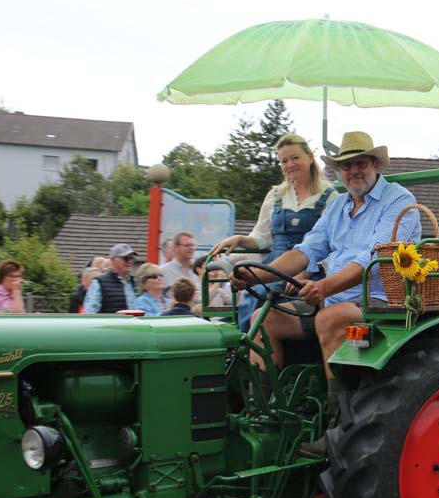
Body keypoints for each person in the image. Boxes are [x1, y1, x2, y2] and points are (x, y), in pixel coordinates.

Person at [231, 130, 420, 426]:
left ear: (375, 164)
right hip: (334, 297)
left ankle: (338, 426)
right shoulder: (338, 205)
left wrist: (324, 286)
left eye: (361, 163)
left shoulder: (399, 201)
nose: (354, 171)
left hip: (382, 300)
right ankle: (264, 418)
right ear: (339, 171)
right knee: (263, 319)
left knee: (329, 318)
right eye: (347, 166)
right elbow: (306, 250)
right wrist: (257, 277)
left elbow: (373, 257)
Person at [210, 134, 336, 320]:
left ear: (310, 157)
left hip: (311, 269)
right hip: (274, 266)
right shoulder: (276, 195)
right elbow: (262, 238)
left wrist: (304, 272)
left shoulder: (330, 196)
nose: (290, 165)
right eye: (284, 161)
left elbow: (331, 245)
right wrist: (240, 239)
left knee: (286, 301)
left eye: (295, 158)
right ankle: (245, 342)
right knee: (256, 297)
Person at [83, 244, 139, 314]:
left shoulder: (134, 282)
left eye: (132, 258)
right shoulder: (99, 282)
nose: (130, 261)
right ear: (113, 259)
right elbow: (90, 312)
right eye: (126, 258)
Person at [161, 232, 197, 296]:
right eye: (187, 245)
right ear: (175, 248)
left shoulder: (199, 270)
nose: (191, 248)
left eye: (193, 245)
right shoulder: (163, 271)